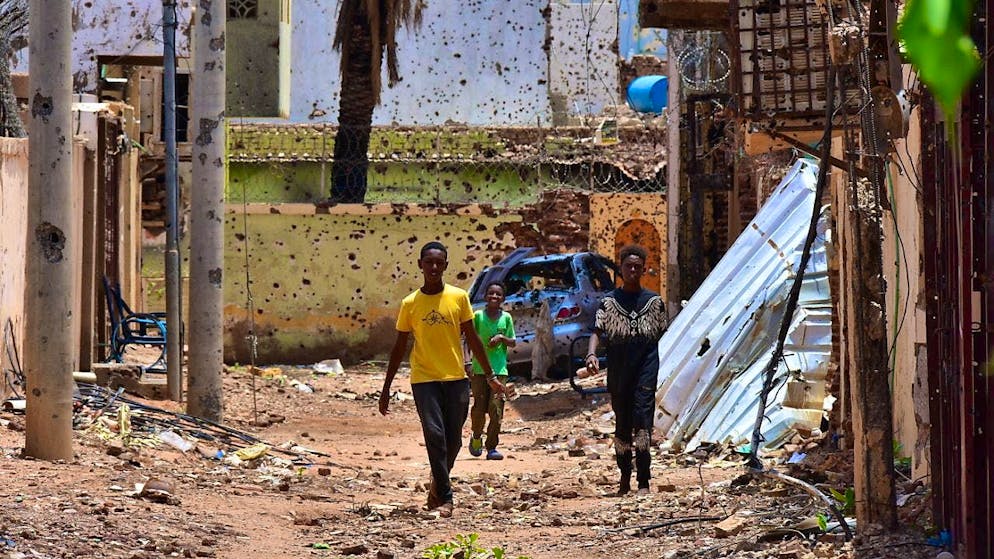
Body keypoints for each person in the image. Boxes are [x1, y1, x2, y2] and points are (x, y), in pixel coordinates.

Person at [378, 241, 505, 518]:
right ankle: (446, 497)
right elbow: (399, 347)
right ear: (420, 265)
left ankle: (437, 484)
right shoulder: (410, 303)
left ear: (446, 265)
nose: (434, 267)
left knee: (454, 441)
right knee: (435, 435)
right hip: (424, 379)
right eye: (429, 262)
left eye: (439, 262)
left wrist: (490, 375)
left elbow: (473, 338)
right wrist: (386, 388)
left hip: (456, 378)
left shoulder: (458, 298)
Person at [585, 245, 668, 496]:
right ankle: (624, 477)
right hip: (619, 370)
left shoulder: (654, 302)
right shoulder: (609, 302)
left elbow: (662, 334)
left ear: (643, 269)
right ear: (620, 269)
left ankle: (643, 480)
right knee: (622, 424)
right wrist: (591, 354)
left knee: (642, 422)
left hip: (645, 369)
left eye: (637, 267)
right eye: (628, 266)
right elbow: (597, 331)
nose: (632, 270)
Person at [467, 282, 516, 461]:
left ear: (503, 298)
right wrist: (467, 363)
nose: (494, 297)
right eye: (491, 293)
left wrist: (502, 338)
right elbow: (468, 338)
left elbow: (513, 342)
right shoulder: (478, 316)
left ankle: (492, 446)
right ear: (485, 296)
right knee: (479, 408)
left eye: (498, 294)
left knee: (496, 409)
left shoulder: (506, 318)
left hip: (500, 371)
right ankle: (476, 435)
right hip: (479, 370)